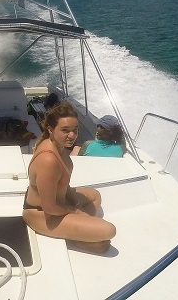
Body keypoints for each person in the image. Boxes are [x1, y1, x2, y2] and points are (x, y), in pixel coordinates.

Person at [22, 102, 116, 253]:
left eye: (75, 130)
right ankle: (79, 236)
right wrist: (75, 211)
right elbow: (50, 208)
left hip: (59, 203)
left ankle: (79, 232)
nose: (72, 135)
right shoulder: (48, 160)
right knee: (109, 231)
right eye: (65, 130)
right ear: (50, 130)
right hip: (42, 213)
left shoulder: (59, 146)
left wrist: (76, 205)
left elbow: (63, 187)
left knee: (95, 196)